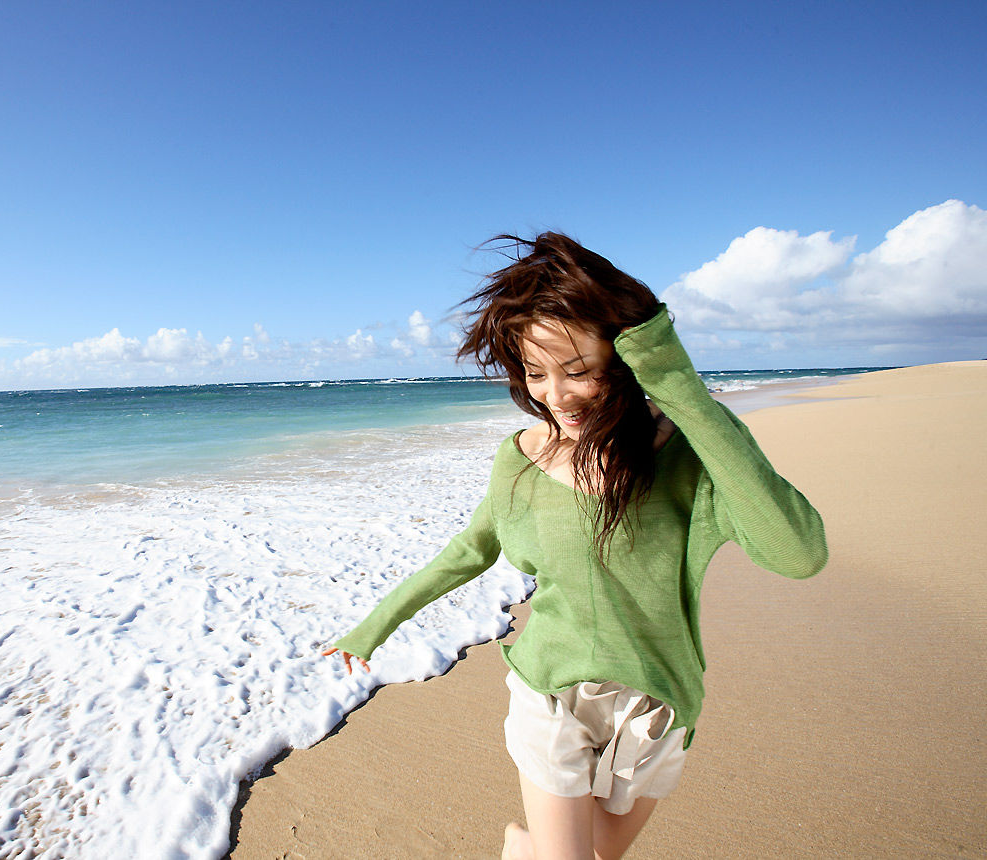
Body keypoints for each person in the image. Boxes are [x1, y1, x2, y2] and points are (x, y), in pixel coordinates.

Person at [322, 231, 827, 860]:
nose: (555, 397)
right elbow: (467, 552)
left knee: (596, 854)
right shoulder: (521, 463)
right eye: (536, 373)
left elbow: (799, 553)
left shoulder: (689, 457)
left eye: (577, 370)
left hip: (657, 702)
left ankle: (518, 846)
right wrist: (372, 627)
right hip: (550, 692)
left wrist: (680, 389)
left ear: (624, 360)